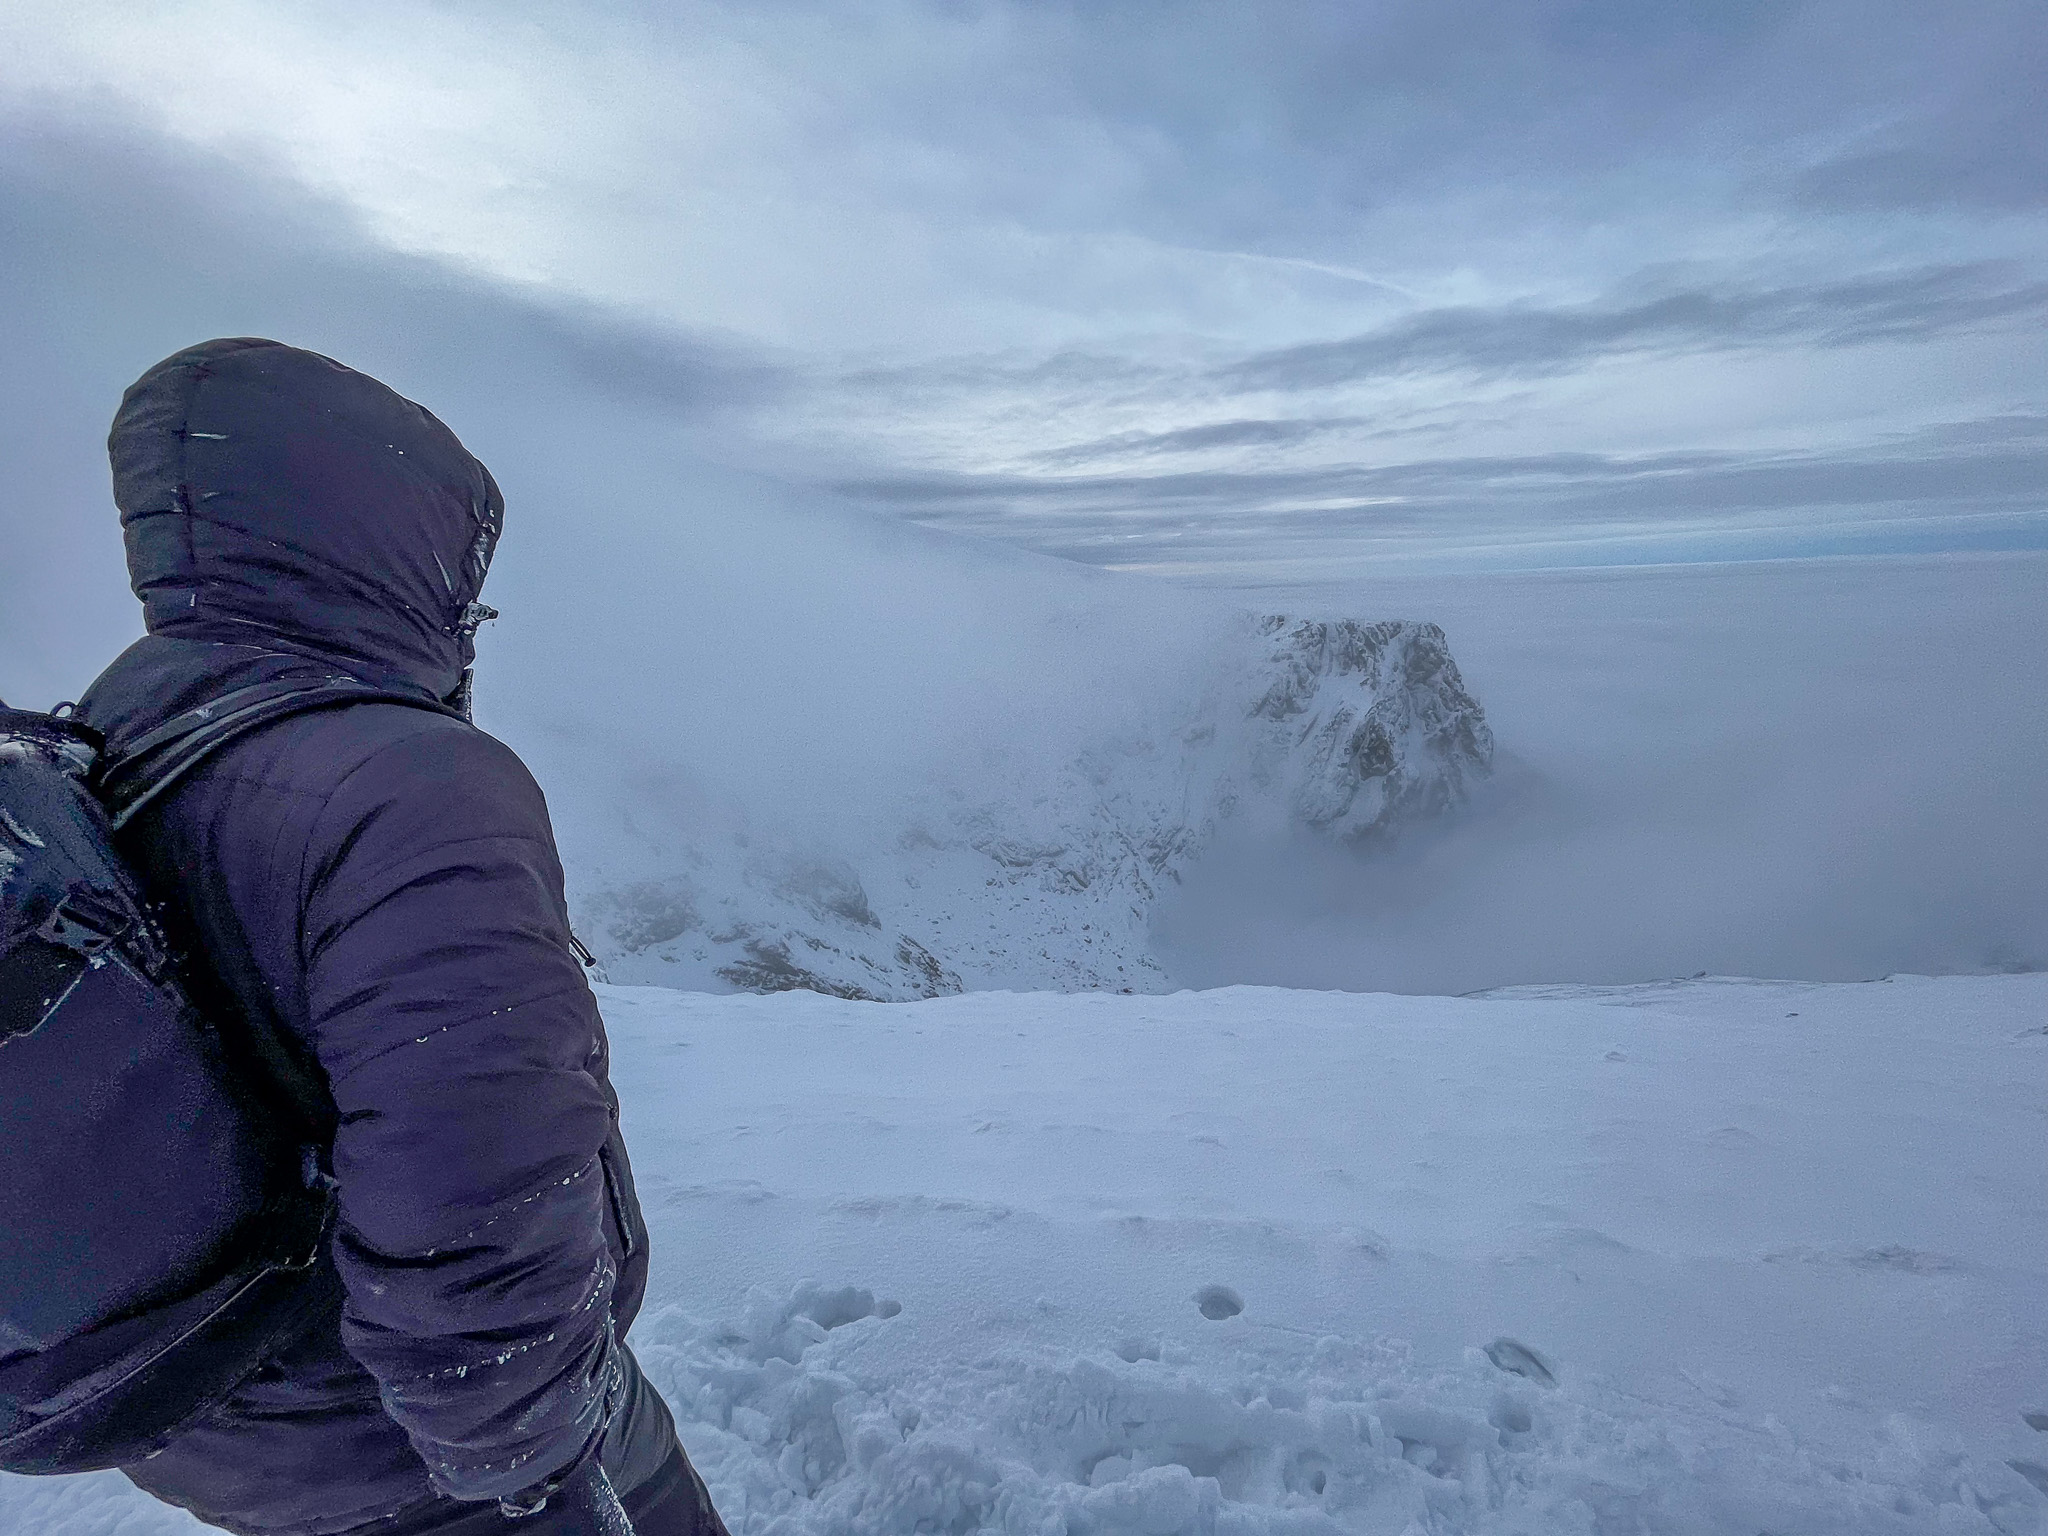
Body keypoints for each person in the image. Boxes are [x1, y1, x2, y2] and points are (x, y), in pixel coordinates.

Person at [75, 338, 727, 1535]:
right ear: (392, 555)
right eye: (463, 583)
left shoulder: (122, 732)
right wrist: (534, 1479)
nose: (468, 616)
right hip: (409, 1438)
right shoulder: (413, 784)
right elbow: (473, 1175)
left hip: (211, 1406)